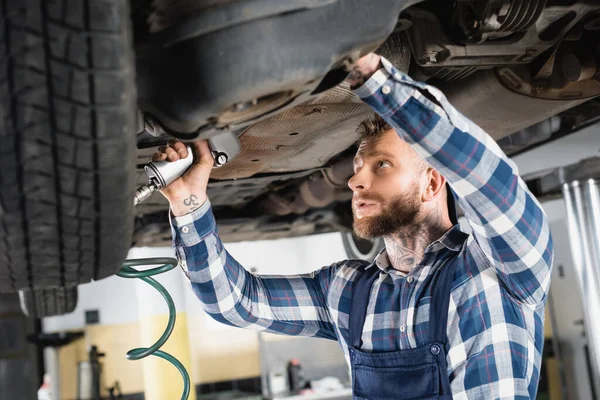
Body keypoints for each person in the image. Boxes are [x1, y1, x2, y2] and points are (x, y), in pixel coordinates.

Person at [154, 53, 553, 399]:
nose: (354, 180)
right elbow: (237, 303)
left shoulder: (500, 268)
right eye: (358, 167)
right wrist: (189, 205)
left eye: (382, 165)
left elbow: (489, 179)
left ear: (432, 182)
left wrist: (370, 74)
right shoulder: (348, 291)